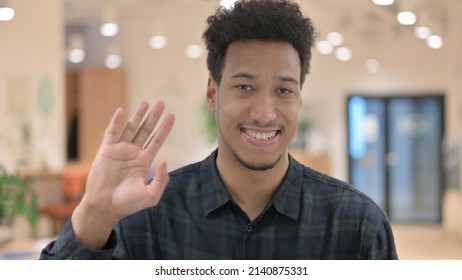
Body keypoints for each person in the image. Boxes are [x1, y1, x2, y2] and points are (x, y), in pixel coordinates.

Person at [40, 0, 398, 260]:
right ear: (213, 94)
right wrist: (95, 215)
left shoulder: (356, 226)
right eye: (244, 87)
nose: (264, 112)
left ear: (299, 101)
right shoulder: (148, 216)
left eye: (284, 90)